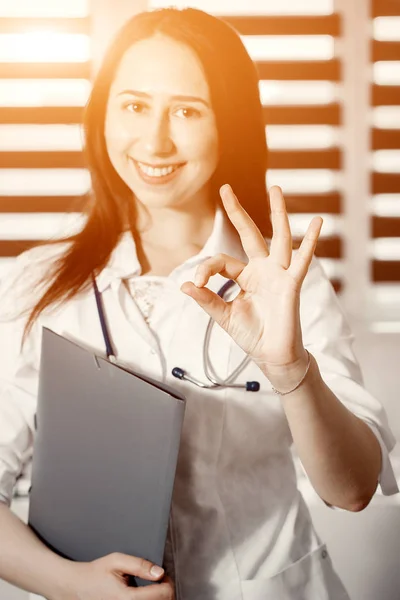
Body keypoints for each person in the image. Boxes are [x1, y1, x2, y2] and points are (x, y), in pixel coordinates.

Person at [0, 7, 398, 600]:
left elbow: (353, 489)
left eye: (187, 110)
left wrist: (290, 372)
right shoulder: (38, 282)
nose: (155, 140)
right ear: (102, 115)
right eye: (134, 105)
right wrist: (71, 584)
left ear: (230, 123)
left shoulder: (285, 281)